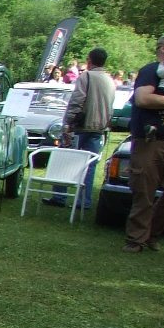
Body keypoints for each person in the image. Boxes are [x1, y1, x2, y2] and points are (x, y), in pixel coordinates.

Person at [123, 33, 164, 252]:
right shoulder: (151, 71)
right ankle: (136, 240)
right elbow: (143, 99)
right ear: (162, 49)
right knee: (144, 192)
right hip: (151, 141)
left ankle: (151, 234)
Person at [49, 47, 115, 209]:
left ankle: (60, 196)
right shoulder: (109, 79)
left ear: (89, 60)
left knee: (65, 160)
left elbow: (77, 101)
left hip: (81, 126)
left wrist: (68, 124)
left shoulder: (87, 76)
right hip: (99, 128)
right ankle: (84, 201)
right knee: (90, 165)